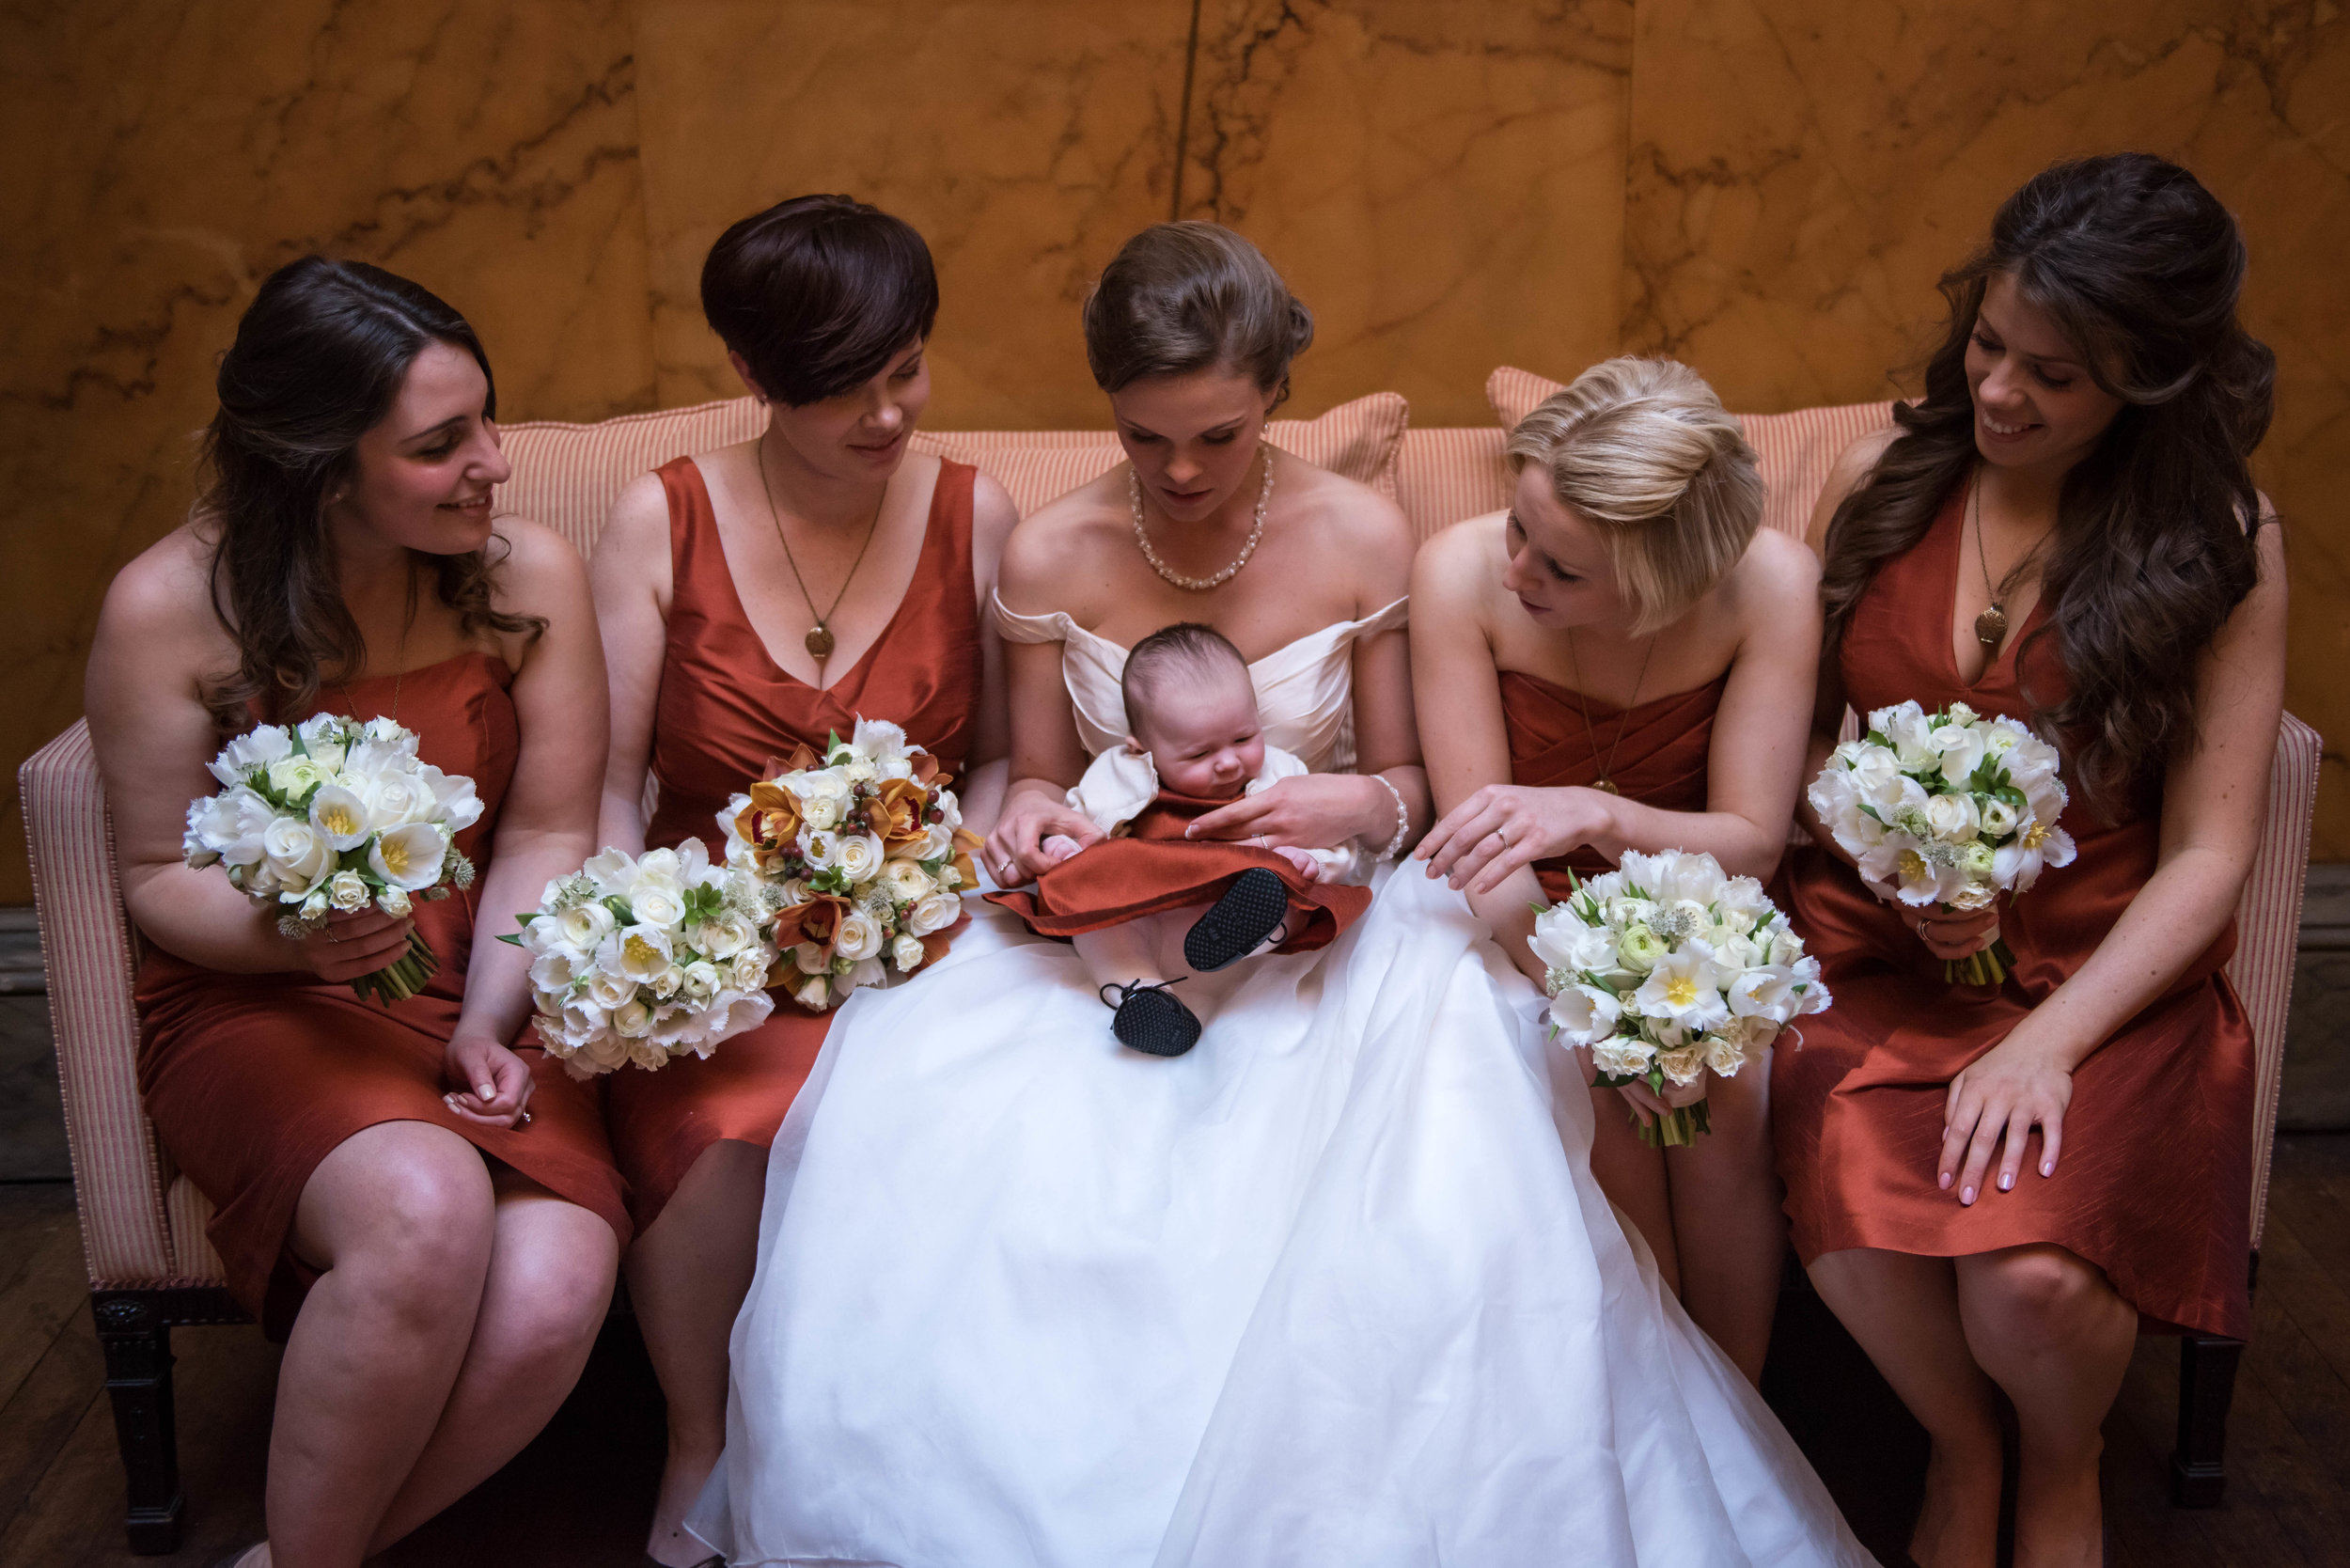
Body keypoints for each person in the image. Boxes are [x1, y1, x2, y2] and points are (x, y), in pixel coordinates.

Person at [686, 223, 1871, 1566]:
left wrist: (1357, 801)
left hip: (1334, 903)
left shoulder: (1370, 533)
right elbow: (1027, 766)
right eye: (1146, 440)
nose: (1183, 471)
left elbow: (1419, 784)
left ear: (1278, 402)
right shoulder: (1046, 554)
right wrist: (1030, 815)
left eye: (1219, 437)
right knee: (998, 1140)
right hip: (1120, 886)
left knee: (1429, 1164)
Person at [1774, 153, 2283, 1568]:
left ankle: (2061, 1465)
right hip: (1877, 955)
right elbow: (1808, 736)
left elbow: (2212, 857)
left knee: (2030, 1286)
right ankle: (1963, 1447)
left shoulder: (2221, 542)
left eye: (2054, 377)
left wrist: (2048, 1041)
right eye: (1991, 345)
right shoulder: (1885, 477)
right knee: (1872, 1227)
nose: (1999, 392)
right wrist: (1891, 855)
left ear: (2152, 382)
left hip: (2100, 974)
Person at [89, 259, 628, 1568]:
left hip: (477, 986)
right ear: (320, 466)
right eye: (443, 445)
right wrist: (291, 935)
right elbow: (159, 875)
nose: (496, 463)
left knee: (560, 1283)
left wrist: (494, 1018)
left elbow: (554, 828)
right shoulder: (168, 608)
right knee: (421, 1205)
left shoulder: (529, 574)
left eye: (489, 421)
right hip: (260, 1001)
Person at [587, 193, 1013, 1566]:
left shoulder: (975, 511)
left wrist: (946, 867)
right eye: (844, 388)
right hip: (715, 954)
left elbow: (1008, 763)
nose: (889, 416)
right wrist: (634, 938)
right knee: (723, 1136)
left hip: (921, 939)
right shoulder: (658, 523)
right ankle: (703, 1438)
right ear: (752, 376)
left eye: (906, 370)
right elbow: (604, 787)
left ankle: (922, 1460)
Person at [1408, 353, 1821, 1387]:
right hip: (1509, 921)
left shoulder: (1770, 586)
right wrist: (1599, 1014)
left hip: (1704, 919)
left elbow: (1753, 840)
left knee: (1728, 1093)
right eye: (1519, 531)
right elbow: (1480, 854)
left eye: (1562, 570)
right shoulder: (1456, 574)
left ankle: (1739, 1414)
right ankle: (1651, 1404)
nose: (1517, 575)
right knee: (1592, 1088)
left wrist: (1598, 814)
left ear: (1663, 581)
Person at [990, 619, 1375, 1056]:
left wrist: (1313, 861)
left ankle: (1251, 932)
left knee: (1290, 889)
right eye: (1200, 753)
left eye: (1244, 737)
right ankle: (1143, 995)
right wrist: (1065, 850)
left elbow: (1333, 839)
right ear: (1141, 746)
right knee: (1090, 909)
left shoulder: (1282, 773)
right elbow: (1081, 822)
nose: (1229, 763)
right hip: (1150, 897)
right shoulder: (1120, 770)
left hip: (1238, 887)